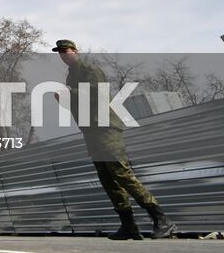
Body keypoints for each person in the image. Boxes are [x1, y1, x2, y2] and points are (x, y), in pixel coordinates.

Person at [54, 39, 177, 240]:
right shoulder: (71, 76)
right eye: (60, 53)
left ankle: (161, 219)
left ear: (75, 51)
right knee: (107, 178)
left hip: (105, 128)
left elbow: (98, 93)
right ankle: (128, 225)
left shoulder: (89, 69)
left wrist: (70, 93)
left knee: (121, 173)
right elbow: (76, 103)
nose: (63, 55)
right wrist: (63, 99)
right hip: (91, 130)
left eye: (65, 51)